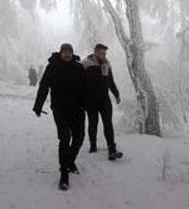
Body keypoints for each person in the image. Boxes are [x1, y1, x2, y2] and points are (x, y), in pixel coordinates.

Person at [33, 43, 86, 190]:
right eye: (65, 52)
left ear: (72, 53)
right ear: (60, 53)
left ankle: (69, 161)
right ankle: (64, 174)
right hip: (60, 109)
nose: (67, 54)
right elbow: (43, 87)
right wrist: (38, 105)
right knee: (64, 137)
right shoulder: (53, 67)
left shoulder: (79, 67)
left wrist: (89, 105)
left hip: (77, 109)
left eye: (70, 52)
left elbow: (86, 88)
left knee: (79, 137)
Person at [82, 43, 123, 160]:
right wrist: (81, 99)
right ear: (95, 52)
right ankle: (93, 145)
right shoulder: (86, 63)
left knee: (108, 124)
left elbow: (110, 81)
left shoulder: (106, 63)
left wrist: (116, 94)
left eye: (104, 53)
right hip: (90, 100)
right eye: (101, 53)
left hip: (104, 99)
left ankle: (112, 149)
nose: (103, 55)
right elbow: (79, 82)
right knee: (93, 123)